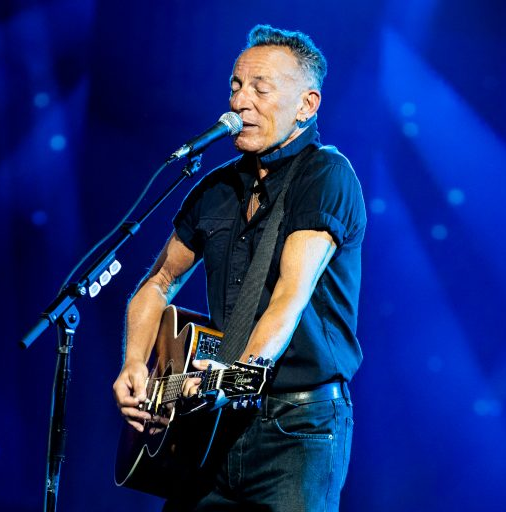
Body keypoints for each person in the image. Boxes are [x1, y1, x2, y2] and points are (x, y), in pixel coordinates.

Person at [113, 24, 366, 511]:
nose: (239, 101)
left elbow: (289, 296)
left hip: (297, 429)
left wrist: (240, 375)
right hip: (212, 424)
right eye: (235, 86)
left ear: (306, 105)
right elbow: (157, 283)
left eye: (259, 89)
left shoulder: (326, 175)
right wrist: (135, 364)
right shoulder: (215, 189)